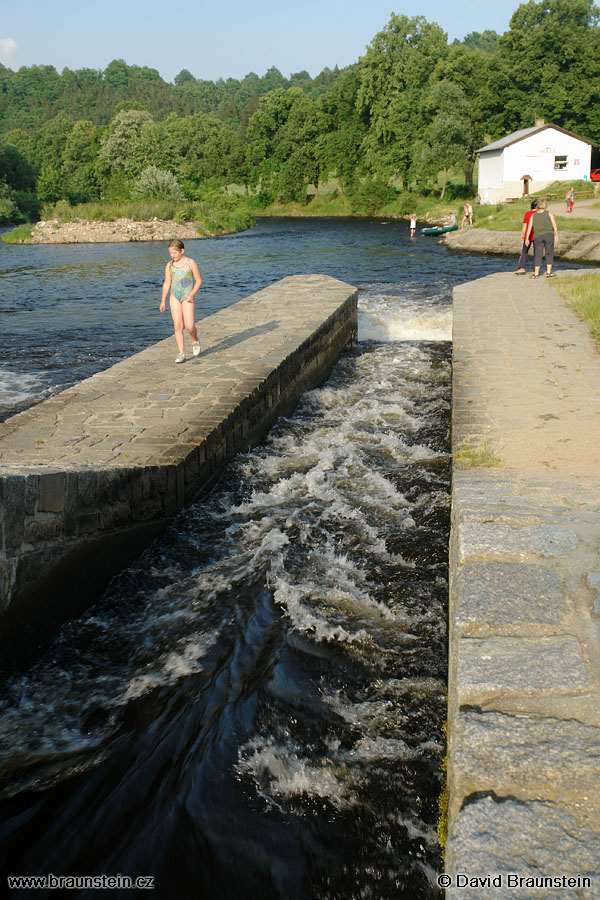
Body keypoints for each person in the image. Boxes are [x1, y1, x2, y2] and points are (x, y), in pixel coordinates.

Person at [160, 239, 203, 363]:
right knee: (178, 326)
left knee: (189, 326)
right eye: (170, 253)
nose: (172, 255)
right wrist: (163, 301)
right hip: (174, 297)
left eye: (174, 253)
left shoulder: (191, 263)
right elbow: (167, 283)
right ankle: (181, 353)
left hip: (187, 297)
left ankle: (195, 339)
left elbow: (199, 280)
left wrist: (192, 294)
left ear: (182, 251)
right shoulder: (169, 265)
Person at [525, 199, 559, 278]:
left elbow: (529, 227)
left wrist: (527, 238)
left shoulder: (533, 215)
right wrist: (556, 235)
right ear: (545, 206)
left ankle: (536, 273)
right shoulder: (549, 213)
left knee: (538, 254)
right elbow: (554, 225)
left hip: (538, 236)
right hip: (549, 235)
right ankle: (548, 272)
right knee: (549, 253)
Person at [515, 199, 537, 274]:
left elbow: (525, 225)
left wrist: (523, 233)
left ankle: (522, 267)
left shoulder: (527, 214)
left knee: (524, 251)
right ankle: (535, 268)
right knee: (536, 252)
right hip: (537, 235)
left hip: (528, 235)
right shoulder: (539, 214)